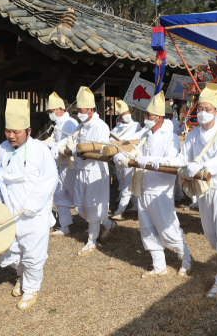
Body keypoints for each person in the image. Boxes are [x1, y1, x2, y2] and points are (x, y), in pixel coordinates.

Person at [168, 85, 217, 299]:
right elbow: (182, 158)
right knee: (211, 234)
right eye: (200, 108)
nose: (202, 112)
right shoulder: (193, 134)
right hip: (203, 190)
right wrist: (158, 161)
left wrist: (201, 167)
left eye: (207, 108)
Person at [114, 92, 193, 277]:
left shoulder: (170, 136)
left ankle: (186, 258)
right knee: (147, 229)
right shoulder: (145, 133)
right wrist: (123, 156)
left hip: (160, 190)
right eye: (146, 115)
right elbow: (135, 151)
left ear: (158, 117)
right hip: (143, 187)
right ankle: (159, 265)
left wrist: (151, 159)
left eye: (148, 115)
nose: (145, 118)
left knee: (168, 229)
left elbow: (172, 160)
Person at [0, 99, 58, 310]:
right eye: (8, 131)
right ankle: (21, 277)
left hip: (33, 213)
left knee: (32, 253)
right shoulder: (3, 149)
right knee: (10, 250)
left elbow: (49, 180)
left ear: (28, 131)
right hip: (10, 211)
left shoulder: (40, 150)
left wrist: (33, 204)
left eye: (16, 132)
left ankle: (31, 289)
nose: (11, 136)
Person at [66, 87, 116, 256]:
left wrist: (84, 151)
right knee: (80, 204)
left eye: (81, 110)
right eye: (78, 110)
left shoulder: (100, 126)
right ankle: (108, 225)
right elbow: (72, 143)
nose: (78, 113)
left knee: (93, 206)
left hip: (95, 171)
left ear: (91, 110)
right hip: (82, 169)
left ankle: (91, 241)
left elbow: (102, 148)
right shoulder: (80, 126)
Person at [42, 92, 78, 237]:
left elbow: (71, 140)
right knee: (59, 194)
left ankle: (96, 223)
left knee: (77, 194)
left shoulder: (71, 123)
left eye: (52, 111)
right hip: (60, 165)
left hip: (70, 165)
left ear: (60, 109)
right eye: (49, 112)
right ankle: (65, 226)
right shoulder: (57, 124)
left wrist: (56, 145)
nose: (50, 114)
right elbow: (52, 140)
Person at [110, 100, 142, 221]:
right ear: (119, 116)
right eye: (123, 114)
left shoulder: (136, 125)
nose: (126, 115)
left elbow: (135, 140)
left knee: (127, 185)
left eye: (127, 112)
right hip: (118, 159)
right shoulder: (117, 128)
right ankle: (136, 205)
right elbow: (111, 140)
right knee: (123, 182)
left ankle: (120, 210)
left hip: (129, 159)